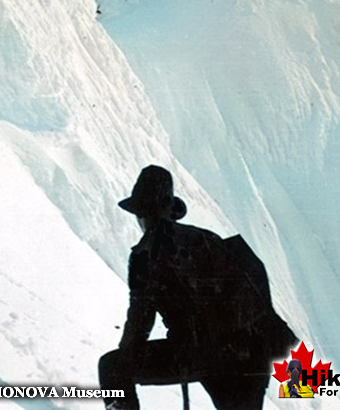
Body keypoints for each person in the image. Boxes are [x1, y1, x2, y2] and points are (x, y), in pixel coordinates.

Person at [98, 166, 297, 409]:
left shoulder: (145, 254)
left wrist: (127, 357)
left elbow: (140, 323)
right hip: (252, 352)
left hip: (201, 354)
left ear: (141, 214)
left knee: (112, 368)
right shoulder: (208, 238)